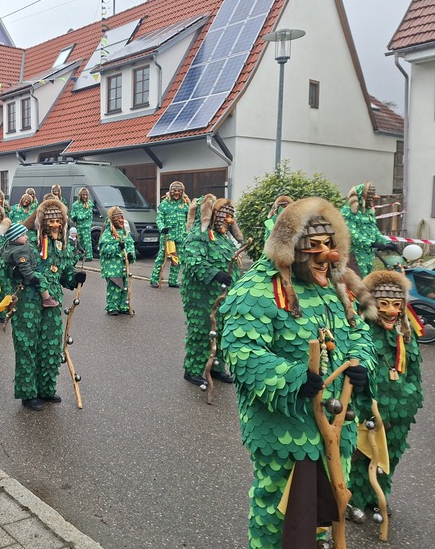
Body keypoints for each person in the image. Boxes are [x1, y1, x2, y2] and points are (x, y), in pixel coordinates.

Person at [221, 196, 377, 549]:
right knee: (281, 516)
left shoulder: (335, 286)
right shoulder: (257, 289)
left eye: (330, 244)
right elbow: (243, 352)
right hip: (286, 432)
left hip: (337, 428)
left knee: (324, 511)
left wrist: (360, 362)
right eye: (315, 246)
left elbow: (359, 331)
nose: (328, 256)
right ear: (291, 249)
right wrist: (294, 379)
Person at [346, 269, 424, 524]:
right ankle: (354, 498)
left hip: (400, 413)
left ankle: (377, 497)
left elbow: (414, 372)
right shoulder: (361, 334)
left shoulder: (405, 334)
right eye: (384, 304)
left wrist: (412, 400)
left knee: (389, 456)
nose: (391, 311)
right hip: (368, 410)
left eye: (397, 305)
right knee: (362, 456)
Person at [0, 201, 85, 411]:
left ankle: (46, 389)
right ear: (43, 222)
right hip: (27, 301)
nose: (56, 225)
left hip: (52, 300)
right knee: (27, 345)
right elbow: (4, 262)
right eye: (51, 221)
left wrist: (74, 277)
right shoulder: (26, 240)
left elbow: (64, 272)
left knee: (51, 345)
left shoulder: (61, 244)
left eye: (59, 221)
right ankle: (28, 393)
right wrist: (15, 272)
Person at [180, 196, 242, 385]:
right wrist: (216, 274)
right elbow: (193, 262)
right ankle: (193, 370)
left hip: (223, 296)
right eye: (223, 216)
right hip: (202, 297)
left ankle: (216, 367)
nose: (227, 220)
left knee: (221, 330)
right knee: (202, 330)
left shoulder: (223, 237)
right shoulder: (198, 235)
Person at [341, 182, 394, 277]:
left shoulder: (368, 211)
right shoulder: (348, 211)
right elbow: (351, 233)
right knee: (357, 279)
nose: (372, 201)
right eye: (370, 198)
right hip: (354, 254)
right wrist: (371, 243)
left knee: (367, 278)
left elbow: (374, 230)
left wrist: (386, 243)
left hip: (368, 254)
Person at [149, 181, 189, 288]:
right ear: (170, 191)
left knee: (177, 259)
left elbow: (189, 219)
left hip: (180, 236)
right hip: (168, 236)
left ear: (182, 192)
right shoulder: (164, 204)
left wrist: (188, 231)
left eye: (179, 191)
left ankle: (173, 280)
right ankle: (154, 279)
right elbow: (159, 219)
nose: (176, 193)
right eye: (174, 191)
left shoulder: (185, 204)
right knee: (162, 258)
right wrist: (162, 228)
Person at [98, 206, 135, 315]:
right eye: (118, 218)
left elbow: (131, 245)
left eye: (122, 218)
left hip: (124, 267)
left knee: (125, 287)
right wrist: (117, 247)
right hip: (113, 268)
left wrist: (130, 254)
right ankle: (112, 306)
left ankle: (123, 306)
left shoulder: (125, 233)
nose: (121, 220)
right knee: (115, 287)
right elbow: (105, 250)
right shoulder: (108, 234)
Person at [70, 187, 95, 261]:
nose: (85, 196)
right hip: (78, 226)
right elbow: (72, 214)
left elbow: (87, 214)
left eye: (86, 195)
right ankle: (80, 254)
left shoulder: (89, 204)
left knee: (87, 241)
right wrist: (74, 217)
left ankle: (89, 256)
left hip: (86, 226)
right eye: (83, 195)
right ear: (80, 195)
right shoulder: (75, 204)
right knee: (79, 241)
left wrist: (78, 216)